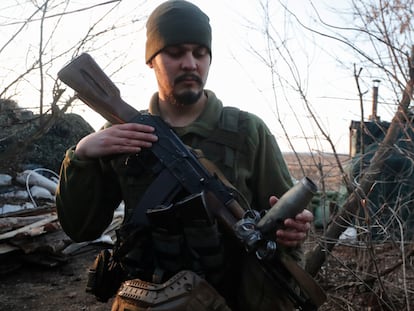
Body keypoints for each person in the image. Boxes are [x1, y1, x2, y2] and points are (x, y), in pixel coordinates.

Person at [56, 1, 314, 310]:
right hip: (145, 300)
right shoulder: (120, 133)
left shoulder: (248, 131)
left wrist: (292, 230)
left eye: (199, 52)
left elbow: (280, 226)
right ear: (152, 60)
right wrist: (82, 155)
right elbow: (80, 229)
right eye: (175, 53)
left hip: (230, 301)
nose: (190, 63)